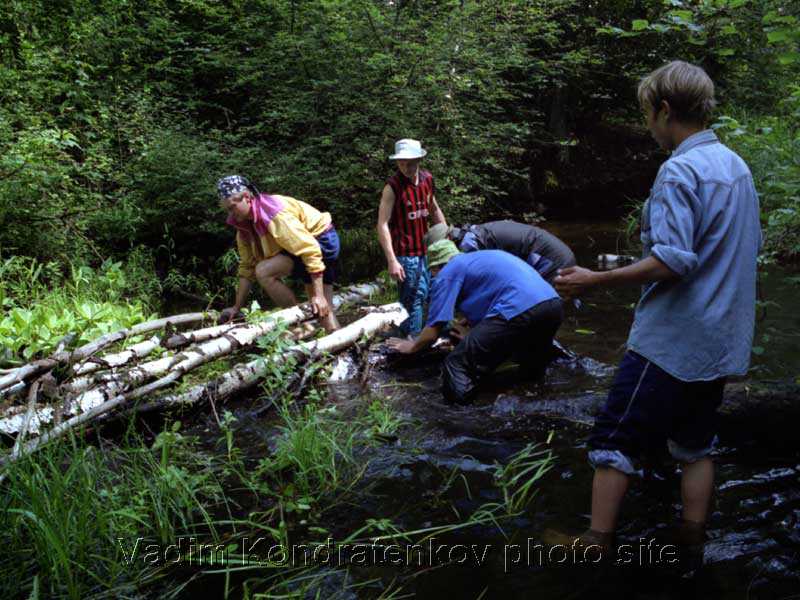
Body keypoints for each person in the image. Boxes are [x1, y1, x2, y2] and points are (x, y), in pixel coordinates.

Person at [547, 61, 761, 567]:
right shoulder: (736, 166)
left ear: (665, 110)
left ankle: (595, 543)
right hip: (720, 337)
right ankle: (692, 536)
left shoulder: (679, 170)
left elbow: (674, 260)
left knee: (613, 438)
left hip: (672, 339)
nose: (647, 125)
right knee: (695, 442)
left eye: (646, 114)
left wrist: (595, 280)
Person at [388, 240, 563, 405]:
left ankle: (461, 420)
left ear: (436, 267)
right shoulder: (482, 258)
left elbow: (433, 329)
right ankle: (537, 403)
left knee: (457, 364)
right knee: (530, 366)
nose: (433, 277)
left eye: (432, 272)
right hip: (553, 305)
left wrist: (412, 346)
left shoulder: (447, 272)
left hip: (518, 309)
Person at [217, 175, 341, 332]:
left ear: (247, 197)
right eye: (227, 209)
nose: (230, 214)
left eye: (232, 207)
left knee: (318, 303)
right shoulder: (243, 227)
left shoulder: (274, 214)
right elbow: (247, 267)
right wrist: (236, 307)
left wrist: (319, 295)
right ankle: (306, 327)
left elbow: (309, 249)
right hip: (300, 248)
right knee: (321, 309)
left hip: (320, 240)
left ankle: (308, 328)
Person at [377, 139, 447, 337]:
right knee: (413, 298)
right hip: (405, 253)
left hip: (428, 250)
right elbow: (382, 224)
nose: (406, 167)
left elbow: (434, 209)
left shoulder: (427, 180)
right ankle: (411, 340)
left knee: (436, 292)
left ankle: (439, 334)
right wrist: (392, 260)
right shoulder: (392, 187)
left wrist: (446, 240)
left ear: (419, 159)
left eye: (410, 162)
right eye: (401, 163)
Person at [423, 220, 575, 283]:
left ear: (448, 238)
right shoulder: (474, 232)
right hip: (556, 253)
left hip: (550, 260)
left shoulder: (468, 244)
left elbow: (487, 282)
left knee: (540, 312)